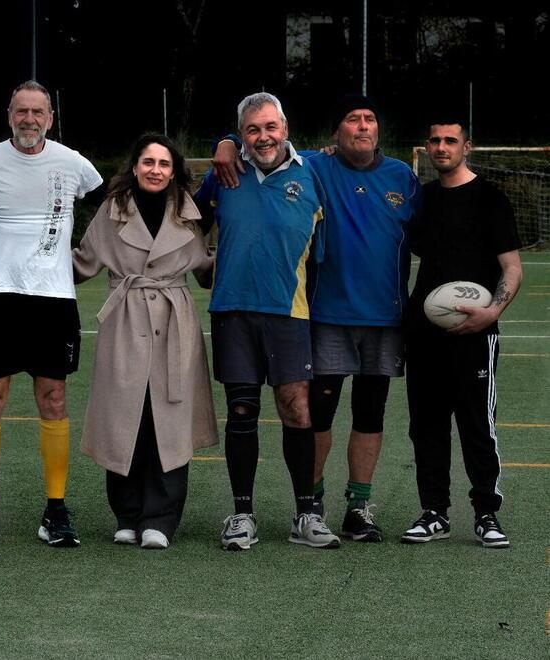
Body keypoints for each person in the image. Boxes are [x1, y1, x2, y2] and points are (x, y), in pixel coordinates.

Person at [212, 94, 421, 542]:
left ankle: (354, 507)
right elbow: (250, 150)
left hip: (375, 315)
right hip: (316, 312)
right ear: (334, 132)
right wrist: (227, 142)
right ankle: (304, 506)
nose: (362, 127)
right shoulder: (304, 166)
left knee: (361, 412)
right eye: (352, 119)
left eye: (370, 119)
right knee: (299, 412)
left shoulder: (398, 176)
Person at [0, 80, 103, 547]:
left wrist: (84, 259)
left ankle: (55, 510)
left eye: (38, 112)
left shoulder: (74, 163)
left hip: (54, 300)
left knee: (54, 400)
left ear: (51, 119)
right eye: (22, 111)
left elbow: (110, 206)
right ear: (9, 114)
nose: (29, 120)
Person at [194, 92, 340, 550]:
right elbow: (187, 223)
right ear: (241, 135)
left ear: (286, 127)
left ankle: (306, 514)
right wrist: (202, 265)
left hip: (288, 312)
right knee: (242, 412)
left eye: (270, 127)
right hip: (233, 310)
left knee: (298, 410)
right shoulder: (223, 172)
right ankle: (242, 515)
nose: (263, 137)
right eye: (252, 129)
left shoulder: (315, 171)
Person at [72, 134, 218, 549]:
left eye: (164, 163)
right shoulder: (111, 212)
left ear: (174, 171)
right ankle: (127, 514)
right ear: (134, 166)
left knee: (168, 420)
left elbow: (206, 268)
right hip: (126, 320)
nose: (155, 170)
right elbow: (82, 262)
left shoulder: (190, 214)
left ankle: (161, 517)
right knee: (125, 417)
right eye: (148, 162)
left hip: (175, 324)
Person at [401, 120, 522, 548]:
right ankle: (434, 512)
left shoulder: (490, 199)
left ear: (466, 146)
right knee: (426, 426)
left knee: (476, 424)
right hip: (424, 333)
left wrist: (492, 312)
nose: (440, 147)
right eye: (433, 140)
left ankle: (486, 512)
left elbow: (511, 268)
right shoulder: (423, 199)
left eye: (449, 140)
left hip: (474, 334)